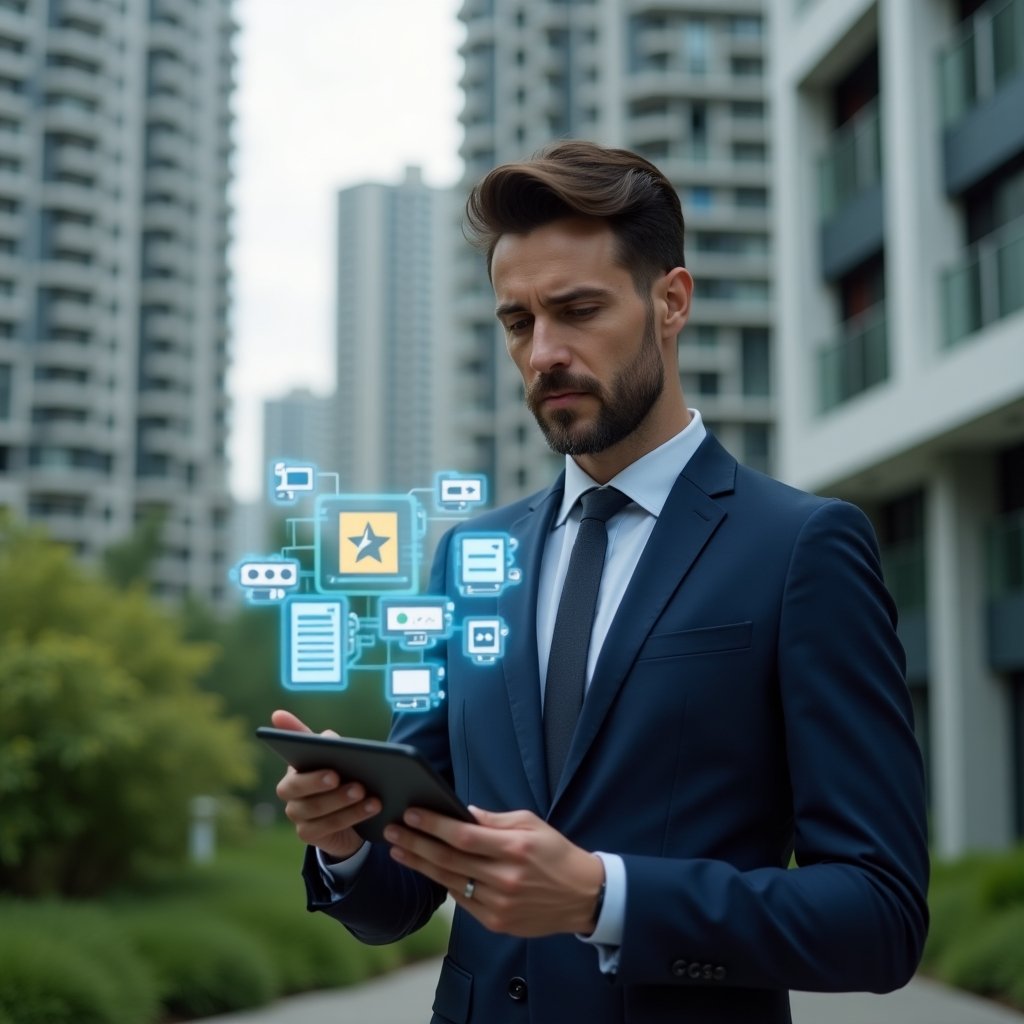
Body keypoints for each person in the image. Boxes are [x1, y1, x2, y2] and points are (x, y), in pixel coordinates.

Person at [272, 140, 929, 1024]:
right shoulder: (469, 560)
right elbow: (402, 897)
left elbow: (880, 919)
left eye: (578, 310)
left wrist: (603, 897)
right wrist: (348, 841)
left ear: (671, 301)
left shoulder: (802, 548)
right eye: (518, 322)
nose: (544, 353)